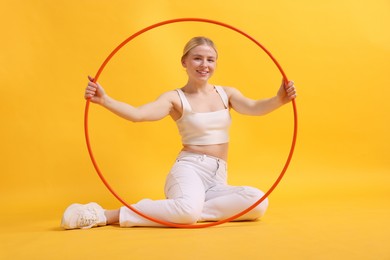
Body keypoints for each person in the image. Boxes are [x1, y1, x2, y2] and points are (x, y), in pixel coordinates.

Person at [61, 36, 297, 229]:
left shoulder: (227, 93)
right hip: (189, 171)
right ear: (184, 62)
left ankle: (184, 211)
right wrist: (105, 100)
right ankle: (105, 215)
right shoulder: (175, 98)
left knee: (257, 202)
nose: (204, 65)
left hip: (217, 179)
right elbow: (138, 114)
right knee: (187, 210)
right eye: (197, 58)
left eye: (210, 59)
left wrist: (280, 99)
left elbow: (255, 108)